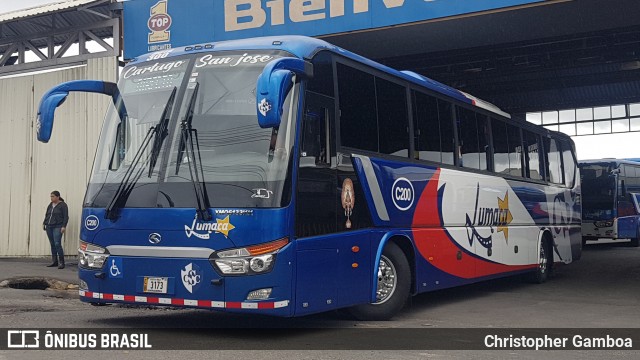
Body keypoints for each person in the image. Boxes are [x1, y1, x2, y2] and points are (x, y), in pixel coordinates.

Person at [43, 191, 68, 269]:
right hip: (49, 226)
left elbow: (66, 216)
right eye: (51, 196)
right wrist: (44, 223)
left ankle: (62, 262)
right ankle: (54, 261)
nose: (51, 198)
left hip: (58, 226)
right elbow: (47, 214)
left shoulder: (63, 205)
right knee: (52, 244)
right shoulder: (50, 205)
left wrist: (64, 226)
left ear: (58, 197)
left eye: (53, 196)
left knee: (57, 243)